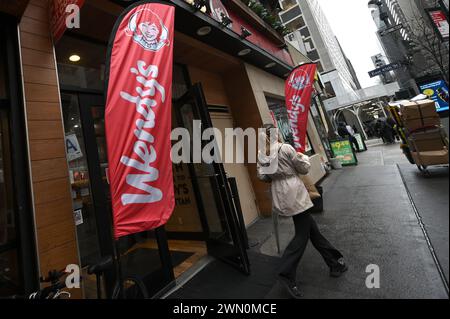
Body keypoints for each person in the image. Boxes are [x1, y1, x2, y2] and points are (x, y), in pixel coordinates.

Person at [257, 125, 347, 299]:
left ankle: (334, 262)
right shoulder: (285, 148)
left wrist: (274, 175)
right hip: (294, 190)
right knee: (302, 234)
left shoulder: (262, 154)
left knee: (312, 230)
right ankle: (286, 272)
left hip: (279, 192)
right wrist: (303, 157)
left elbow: (262, 177)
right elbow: (303, 168)